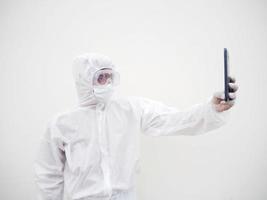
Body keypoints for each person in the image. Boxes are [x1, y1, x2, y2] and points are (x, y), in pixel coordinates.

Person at [34, 53, 239, 200]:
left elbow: (175, 119)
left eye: (109, 76)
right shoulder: (62, 124)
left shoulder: (130, 109)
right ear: (83, 79)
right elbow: (49, 176)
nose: (106, 82)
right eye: (99, 77)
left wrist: (211, 109)